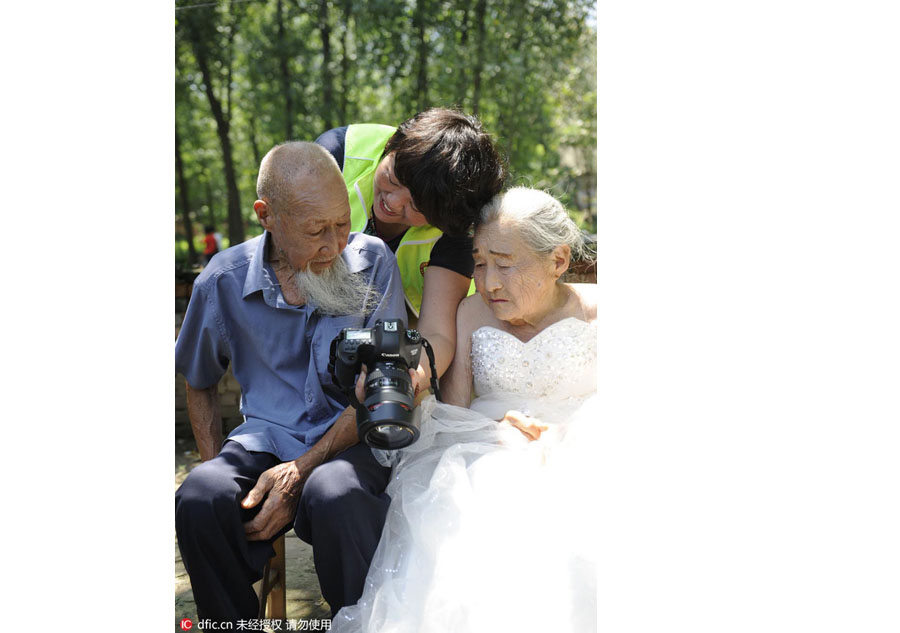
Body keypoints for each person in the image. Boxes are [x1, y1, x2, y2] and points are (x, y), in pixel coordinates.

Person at [332, 187, 598, 633]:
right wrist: (495, 425)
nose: (490, 282)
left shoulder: (600, 309)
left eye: (505, 263)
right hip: (492, 450)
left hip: (587, 443)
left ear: (557, 261)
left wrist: (575, 432)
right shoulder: (470, 313)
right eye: (479, 262)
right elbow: (451, 413)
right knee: (494, 499)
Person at [175, 141, 407, 626]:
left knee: (335, 493)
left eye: (343, 222)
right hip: (264, 437)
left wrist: (299, 473)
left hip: (350, 442)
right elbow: (198, 380)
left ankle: (360, 623)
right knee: (201, 495)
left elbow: (380, 381)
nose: (336, 242)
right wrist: (222, 473)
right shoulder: (222, 280)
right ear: (267, 216)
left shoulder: (374, 260)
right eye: (316, 230)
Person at [315, 108, 506, 391]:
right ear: (392, 146)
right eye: (392, 177)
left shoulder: (454, 232)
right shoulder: (337, 154)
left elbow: (438, 333)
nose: (391, 202)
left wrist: (410, 377)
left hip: (397, 341)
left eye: (415, 206)